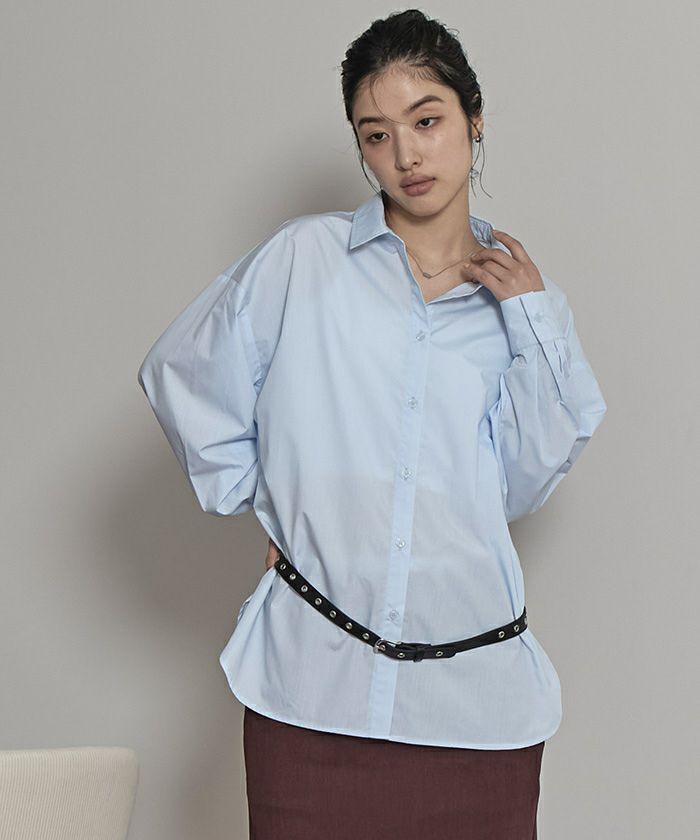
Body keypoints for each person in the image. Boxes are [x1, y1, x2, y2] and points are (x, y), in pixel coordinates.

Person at [137, 9, 607, 839]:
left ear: (474, 119)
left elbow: (522, 484)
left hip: (476, 712)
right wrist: (263, 499)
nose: (406, 155)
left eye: (427, 121)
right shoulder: (302, 262)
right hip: (309, 693)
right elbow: (183, 373)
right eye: (377, 134)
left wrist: (532, 317)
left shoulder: (526, 307)